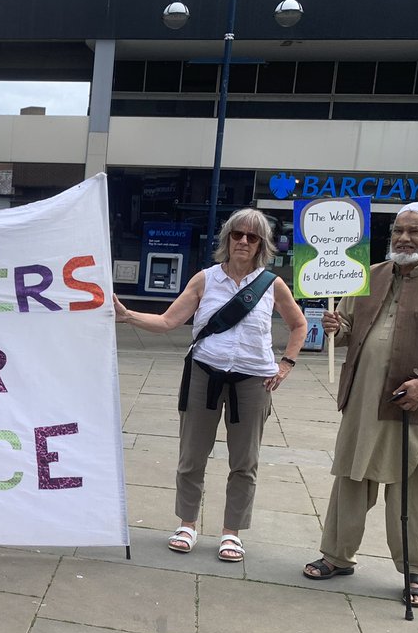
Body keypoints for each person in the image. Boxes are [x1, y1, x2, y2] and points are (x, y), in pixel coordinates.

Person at [304, 202, 418, 608]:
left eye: (415, 231)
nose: (403, 238)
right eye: (398, 230)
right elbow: (345, 328)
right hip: (361, 402)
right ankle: (337, 556)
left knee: (410, 491)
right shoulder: (368, 275)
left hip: (411, 405)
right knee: (350, 479)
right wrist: (335, 328)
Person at [114, 209, 306, 561]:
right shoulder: (205, 280)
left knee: (244, 461)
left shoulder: (272, 284)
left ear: (262, 244)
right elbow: (168, 320)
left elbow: (298, 325)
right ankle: (187, 523)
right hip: (204, 373)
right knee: (192, 456)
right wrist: (127, 315)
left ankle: (231, 532)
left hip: (252, 381)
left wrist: (286, 363)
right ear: (227, 239)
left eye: (252, 237)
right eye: (237, 234)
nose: (243, 242)